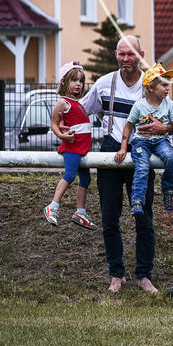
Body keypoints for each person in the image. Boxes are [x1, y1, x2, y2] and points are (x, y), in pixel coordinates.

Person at [81, 36, 172, 294]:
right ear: (115, 55)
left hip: (144, 151)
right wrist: (61, 119)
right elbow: (82, 110)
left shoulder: (154, 85)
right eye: (121, 54)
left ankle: (144, 276)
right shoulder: (104, 84)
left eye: (131, 54)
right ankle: (116, 275)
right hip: (111, 151)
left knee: (143, 218)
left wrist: (163, 127)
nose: (125, 59)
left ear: (141, 55)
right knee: (110, 218)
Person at [114, 64, 173, 214]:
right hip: (141, 142)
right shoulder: (139, 106)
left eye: (168, 84)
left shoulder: (169, 105)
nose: (167, 88)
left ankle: (168, 191)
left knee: (172, 158)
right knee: (142, 166)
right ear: (151, 88)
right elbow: (128, 126)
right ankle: (137, 200)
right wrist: (123, 147)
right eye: (164, 84)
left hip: (161, 141)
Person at [43, 60, 98, 230]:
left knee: (86, 178)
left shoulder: (78, 103)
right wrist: (61, 136)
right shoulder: (63, 102)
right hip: (72, 147)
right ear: (64, 82)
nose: (78, 84)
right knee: (70, 175)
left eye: (81, 81)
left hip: (82, 148)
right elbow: (54, 123)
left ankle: (80, 212)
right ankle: (52, 206)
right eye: (74, 80)